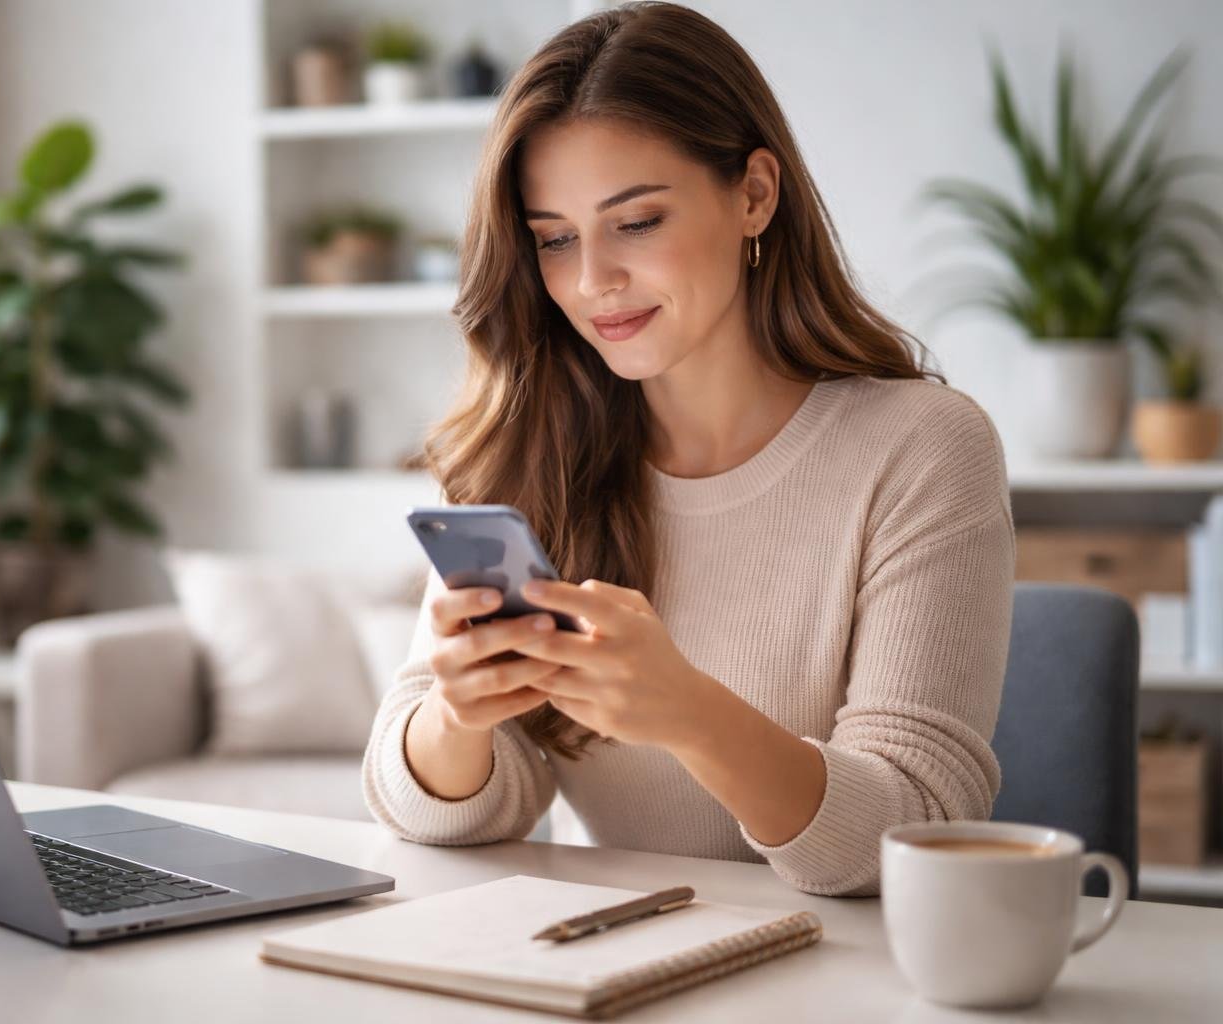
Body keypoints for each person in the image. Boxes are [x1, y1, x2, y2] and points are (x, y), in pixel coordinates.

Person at [361, 1, 1014, 897]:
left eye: (637, 222)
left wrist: (690, 713)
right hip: (618, 962)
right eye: (554, 239)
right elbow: (433, 810)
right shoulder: (532, 447)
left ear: (754, 193)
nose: (593, 281)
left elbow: (918, 830)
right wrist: (458, 714)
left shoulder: (921, 449)